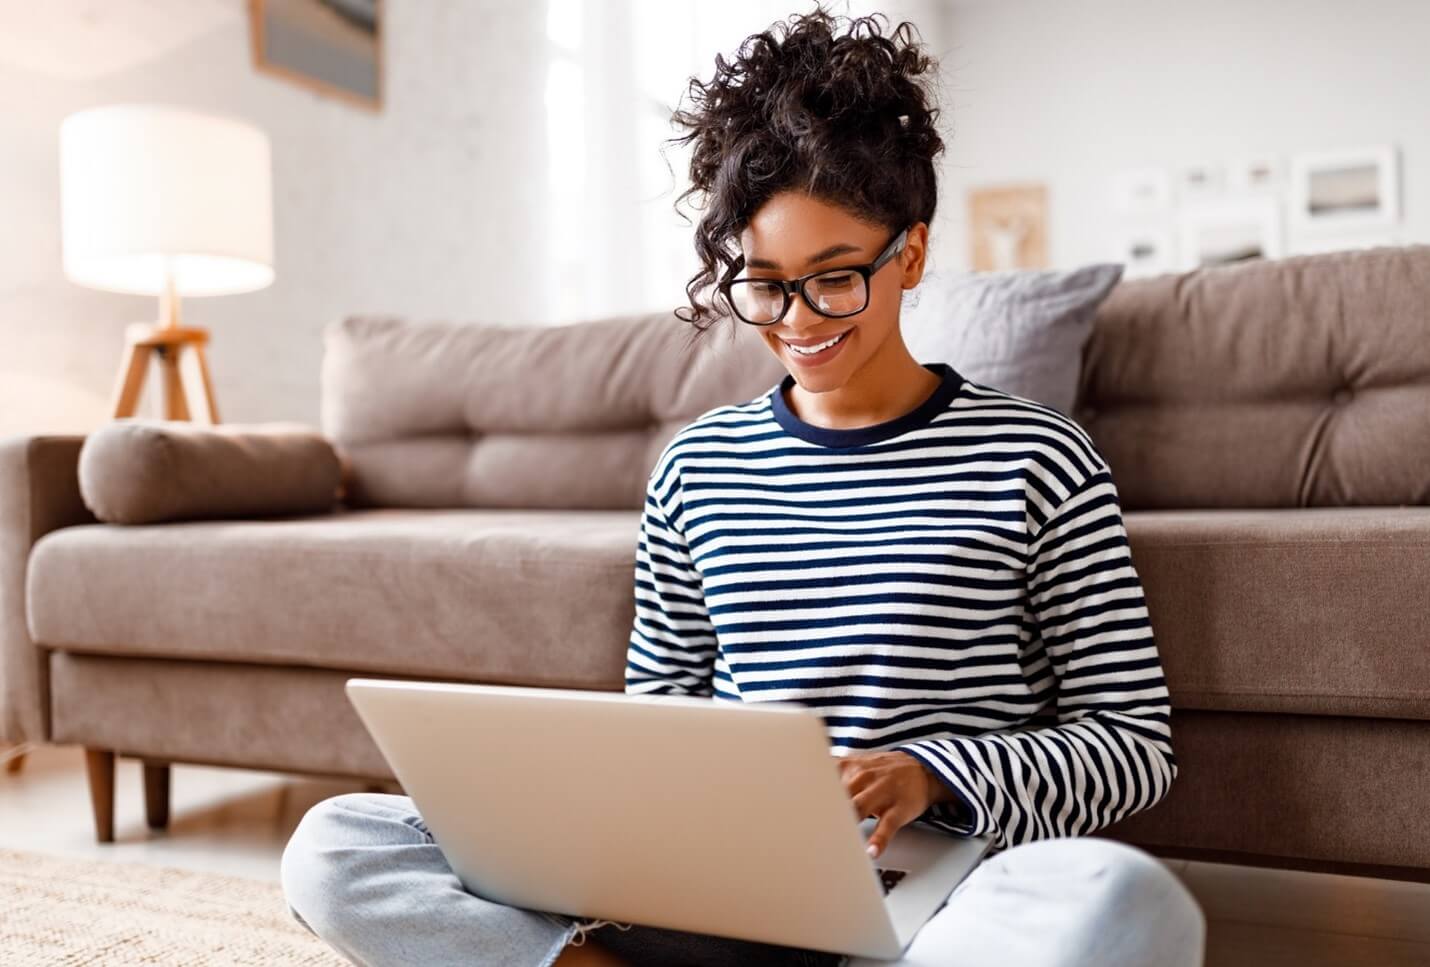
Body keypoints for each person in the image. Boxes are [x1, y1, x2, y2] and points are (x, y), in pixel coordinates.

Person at [280, 7, 1206, 965]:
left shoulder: (1038, 457)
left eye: (834, 277)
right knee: (337, 843)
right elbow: (658, 716)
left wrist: (929, 773)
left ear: (913, 255)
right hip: (724, 885)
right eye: (764, 284)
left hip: (944, 881)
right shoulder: (695, 467)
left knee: (1127, 901)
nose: (797, 320)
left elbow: (1132, 742)